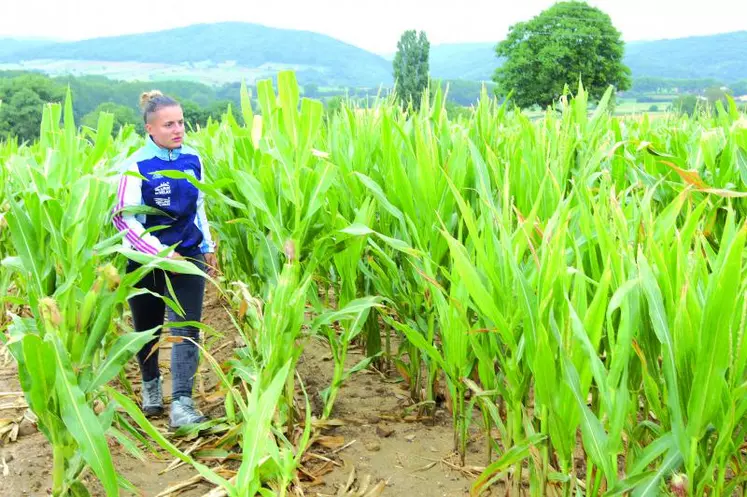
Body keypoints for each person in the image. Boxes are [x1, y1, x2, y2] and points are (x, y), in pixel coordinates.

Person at [112, 90, 217, 430]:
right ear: (150, 130)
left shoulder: (192, 160)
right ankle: (151, 388)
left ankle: (183, 404)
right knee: (148, 329)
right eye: (169, 124)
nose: (178, 130)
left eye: (181, 122)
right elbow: (123, 218)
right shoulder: (137, 166)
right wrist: (157, 250)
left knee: (187, 329)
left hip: (188, 256)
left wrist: (208, 245)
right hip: (146, 261)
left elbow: (199, 205)